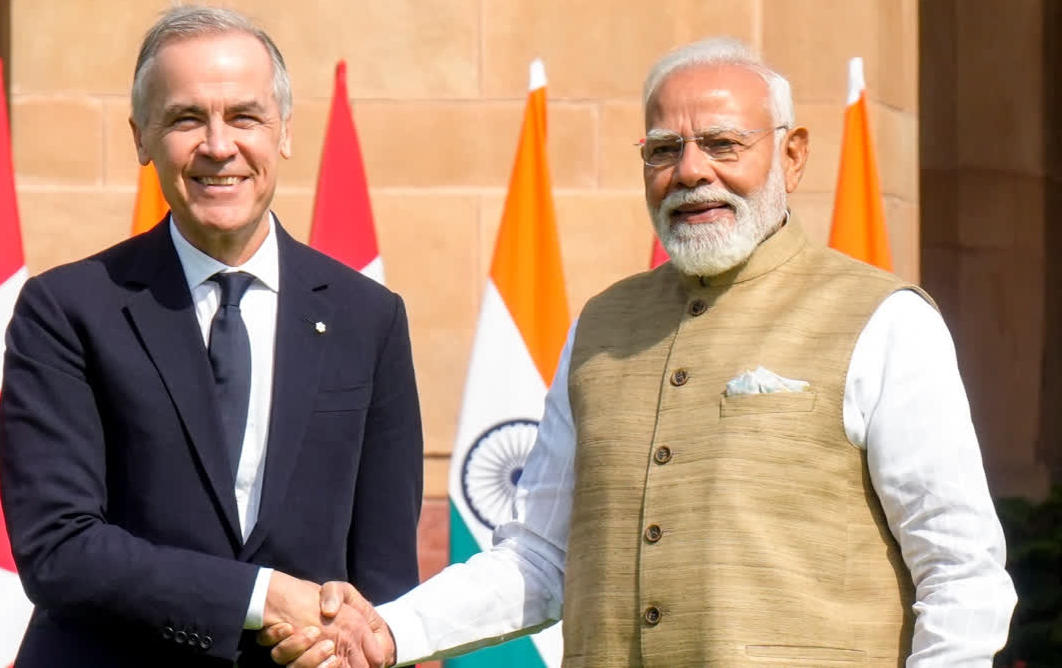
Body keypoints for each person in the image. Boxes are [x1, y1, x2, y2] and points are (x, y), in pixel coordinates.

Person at [267, 37, 1017, 667]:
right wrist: (391, 630)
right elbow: (539, 558)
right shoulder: (600, 326)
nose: (690, 171)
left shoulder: (885, 320)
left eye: (722, 143)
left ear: (792, 157)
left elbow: (960, 571)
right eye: (664, 149)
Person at [0, 5, 423, 667]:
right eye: (186, 118)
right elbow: (59, 547)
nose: (219, 146)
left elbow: (384, 579)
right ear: (141, 138)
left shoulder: (370, 319)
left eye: (245, 117)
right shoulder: (66, 311)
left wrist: (355, 648)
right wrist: (258, 597)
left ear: (284, 131)